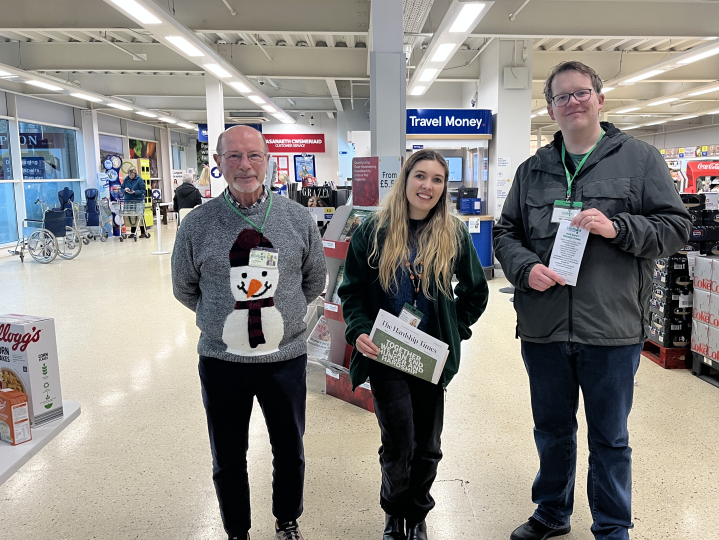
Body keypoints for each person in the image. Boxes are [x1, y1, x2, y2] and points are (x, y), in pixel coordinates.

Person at [493, 61, 691, 540]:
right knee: (552, 430)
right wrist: (524, 267)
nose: (573, 102)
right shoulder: (533, 169)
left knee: (610, 438)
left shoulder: (640, 160)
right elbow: (506, 232)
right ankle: (552, 513)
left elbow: (676, 228)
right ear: (551, 109)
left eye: (581, 93)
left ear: (600, 99)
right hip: (544, 328)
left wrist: (618, 227)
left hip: (612, 327)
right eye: (562, 97)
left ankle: (611, 526)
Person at [171, 125, 326, 540]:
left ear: (268, 161)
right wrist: (224, 321)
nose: (244, 165)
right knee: (228, 456)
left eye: (254, 155)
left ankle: (287, 520)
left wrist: (285, 317)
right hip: (223, 364)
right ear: (218, 164)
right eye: (234, 156)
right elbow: (184, 288)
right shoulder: (197, 225)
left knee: (289, 452)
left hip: (285, 362)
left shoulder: (296, 218)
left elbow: (314, 280)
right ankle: (236, 531)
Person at [337, 149, 489, 540]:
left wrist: (454, 329)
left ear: (444, 188)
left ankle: (417, 513)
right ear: (405, 179)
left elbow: (475, 292)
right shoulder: (374, 230)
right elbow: (351, 292)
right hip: (387, 354)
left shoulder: (452, 232)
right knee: (399, 441)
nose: (428, 186)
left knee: (428, 445)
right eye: (420, 176)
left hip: (431, 359)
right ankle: (394, 511)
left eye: (437, 179)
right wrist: (359, 330)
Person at [122, 167, 148, 238]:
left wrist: (135, 192)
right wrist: (124, 190)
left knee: (140, 216)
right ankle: (133, 232)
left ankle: (143, 232)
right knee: (132, 216)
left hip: (137, 200)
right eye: (130, 174)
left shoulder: (139, 180)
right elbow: (122, 188)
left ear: (135, 174)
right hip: (128, 200)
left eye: (132, 174)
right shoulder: (126, 179)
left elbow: (143, 190)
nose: (131, 176)